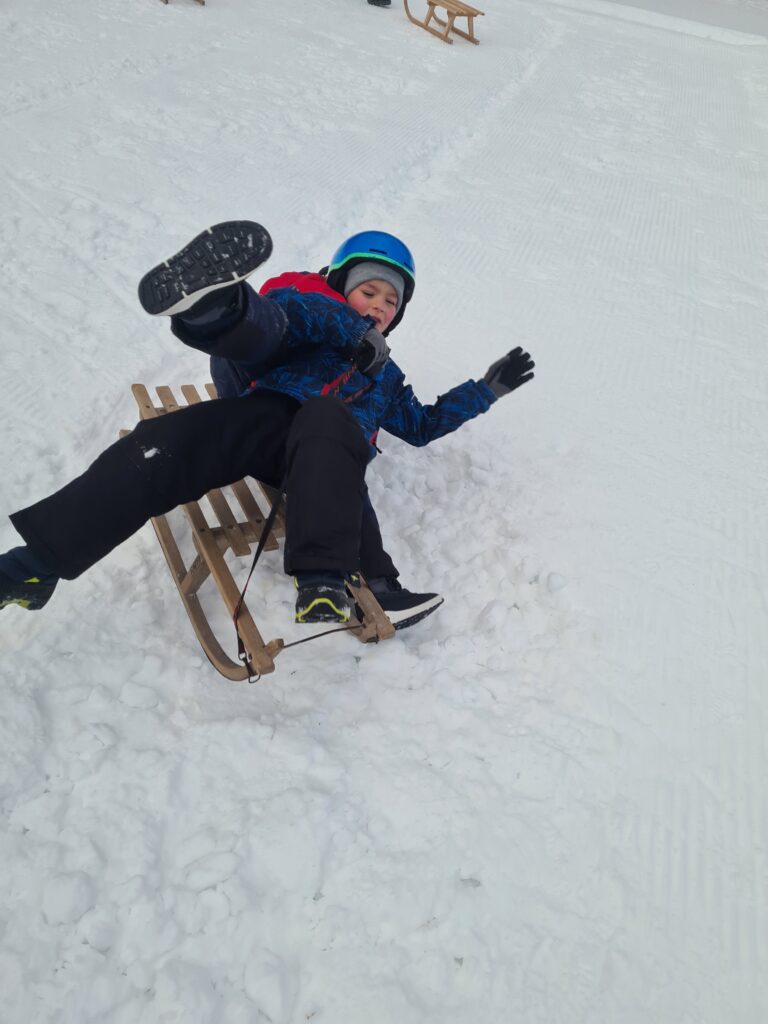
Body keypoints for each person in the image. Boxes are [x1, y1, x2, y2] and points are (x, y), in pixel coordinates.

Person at [0, 221, 535, 631]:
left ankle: (327, 582)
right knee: (166, 445)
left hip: (330, 458)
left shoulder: (387, 377)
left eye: (391, 301)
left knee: (329, 421)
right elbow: (286, 316)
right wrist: (350, 332)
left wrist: (486, 390)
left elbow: (422, 425)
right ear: (341, 287)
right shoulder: (319, 316)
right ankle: (36, 564)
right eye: (369, 292)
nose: (379, 306)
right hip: (269, 419)